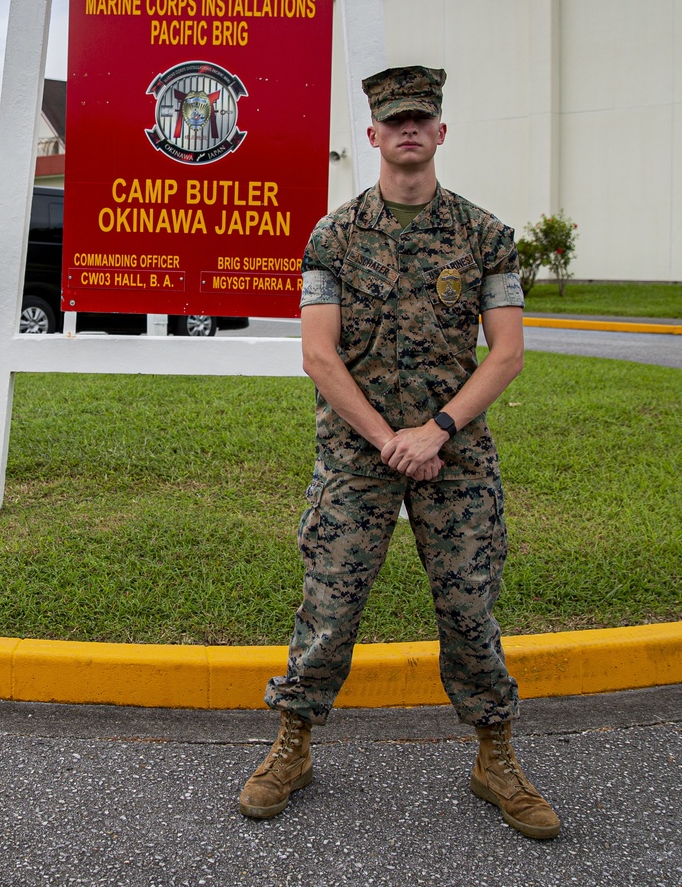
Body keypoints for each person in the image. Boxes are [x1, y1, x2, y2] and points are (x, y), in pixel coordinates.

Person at [238, 65, 560, 841]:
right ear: (374, 135)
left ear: (441, 132)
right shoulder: (334, 236)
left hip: (456, 457)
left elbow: (507, 352)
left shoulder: (486, 236)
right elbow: (319, 355)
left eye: (422, 118)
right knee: (330, 608)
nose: (409, 130)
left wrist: (436, 431)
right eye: (394, 120)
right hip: (357, 457)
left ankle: (495, 757)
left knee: (468, 607)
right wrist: (389, 439)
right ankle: (293, 745)